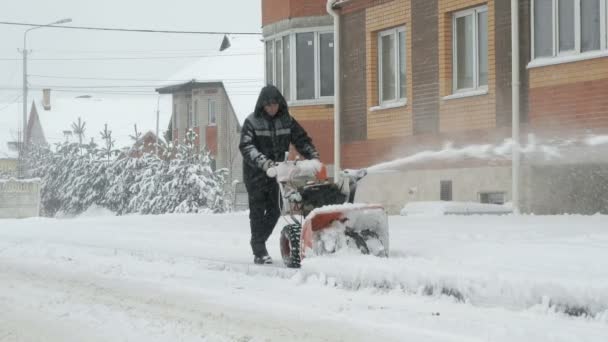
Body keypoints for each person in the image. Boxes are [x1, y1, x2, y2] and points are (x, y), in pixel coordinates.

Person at [239, 85, 320, 264]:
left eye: (275, 105)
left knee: (275, 210)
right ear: (262, 106)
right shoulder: (252, 122)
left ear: (280, 104)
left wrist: (313, 157)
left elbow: (301, 139)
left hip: (277, 174)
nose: (272, 108)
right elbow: (246, 147)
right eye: (268, 105)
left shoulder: (287, 121)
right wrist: (264, 162)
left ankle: (259, 241)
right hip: (256, 174)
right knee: (258, 211)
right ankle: (259, 250)